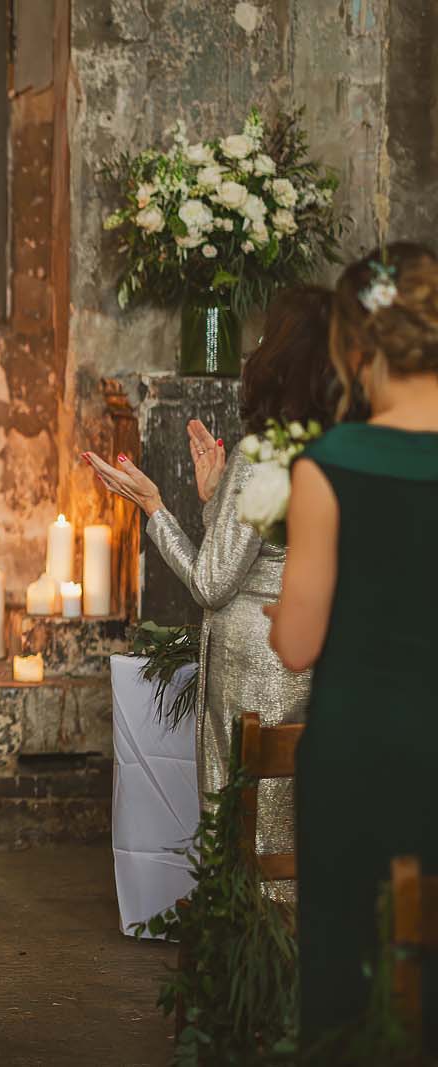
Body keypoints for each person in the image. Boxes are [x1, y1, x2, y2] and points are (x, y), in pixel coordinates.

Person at [84, 287, 338, 897]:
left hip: (253, 660)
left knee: (244, 822)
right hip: (306, 652)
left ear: (278, 357)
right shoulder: (331, 446)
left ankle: (247, 956)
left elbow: (211, 583)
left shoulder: (263, 454)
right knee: (292, 818)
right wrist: (216, 502)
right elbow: (265, 554)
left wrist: (154, 508)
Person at [266, 243, 438, 1048]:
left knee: (343, 989)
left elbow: (297, 645)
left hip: (359, 757)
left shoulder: (331, 464)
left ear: (359, 348)